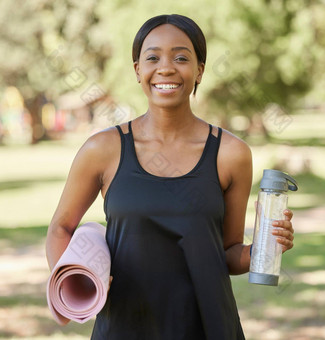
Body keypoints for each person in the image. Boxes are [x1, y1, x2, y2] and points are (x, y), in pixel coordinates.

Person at [46, 14, 295, 340]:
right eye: (152, 57)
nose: (166, 68)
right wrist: (70, 279)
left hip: (208, 326)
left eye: (181, 57)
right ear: (138, 70)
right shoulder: (102, 149)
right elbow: (60, 228)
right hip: (123, 326)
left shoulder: (231, 154)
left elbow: (228, 252)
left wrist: (265, 247)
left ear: (200, 71)